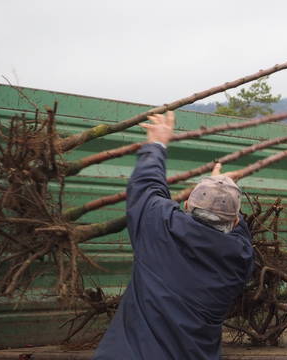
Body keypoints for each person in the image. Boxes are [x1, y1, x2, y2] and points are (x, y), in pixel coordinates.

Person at [94, 111, 254, 360]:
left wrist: (157, 143)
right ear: (235, 220)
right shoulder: (239, 260)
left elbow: (147, 185)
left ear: (187, 205)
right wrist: (222, 192)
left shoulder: (159, 225)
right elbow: (238, 232)